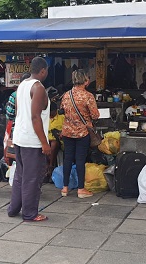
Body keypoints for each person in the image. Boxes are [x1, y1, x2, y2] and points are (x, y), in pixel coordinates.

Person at [8, 57, 50, 222]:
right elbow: (35, 117)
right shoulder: (38, 87)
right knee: (32, 178)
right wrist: (44, 143)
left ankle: (13, 208)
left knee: (20, 175)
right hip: (32, 140)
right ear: (43, 71)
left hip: (19, 137)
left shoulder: (22, 85)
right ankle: (30, 213)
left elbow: (19, 112)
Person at [60, 69, 100, 198]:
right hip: (82, 133)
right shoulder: (88, 96)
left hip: (67, 132)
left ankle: (65, 188)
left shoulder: (66, 95)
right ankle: (81, 189)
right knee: (80, 160)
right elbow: (95, 115)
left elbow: (62, 110)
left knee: (67, 159)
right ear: (85, 80)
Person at [47, 102, 64, 181]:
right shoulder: (44, 118)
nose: (50, 114)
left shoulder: (62, 117)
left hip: (59, 142)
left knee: (54, 144)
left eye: (51, 112)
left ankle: (51, 167)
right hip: (46, 141)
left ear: (55, 111)